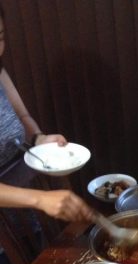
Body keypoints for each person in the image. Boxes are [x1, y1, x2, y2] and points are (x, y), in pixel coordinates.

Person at [0, 5, 93, 223]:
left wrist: (39, 139)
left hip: (21, 200)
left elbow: (22, 117)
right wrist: (39, 199)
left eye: (0, 37)